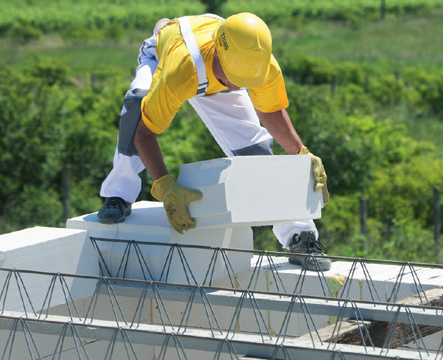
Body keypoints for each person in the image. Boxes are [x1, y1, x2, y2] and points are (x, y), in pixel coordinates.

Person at [96, 13, 332, 271]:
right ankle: (118, 194)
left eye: (244, 81)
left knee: (256, 150)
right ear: (218, 55)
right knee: (136, 105)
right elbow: (145, 134)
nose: (237, 84)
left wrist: (300, 153)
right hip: (167, 56)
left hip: (211, 72)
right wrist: (165, 185)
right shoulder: (180, 70)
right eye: (233, 77)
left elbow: (271, 111)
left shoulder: (259, 65)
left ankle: (299, 235)